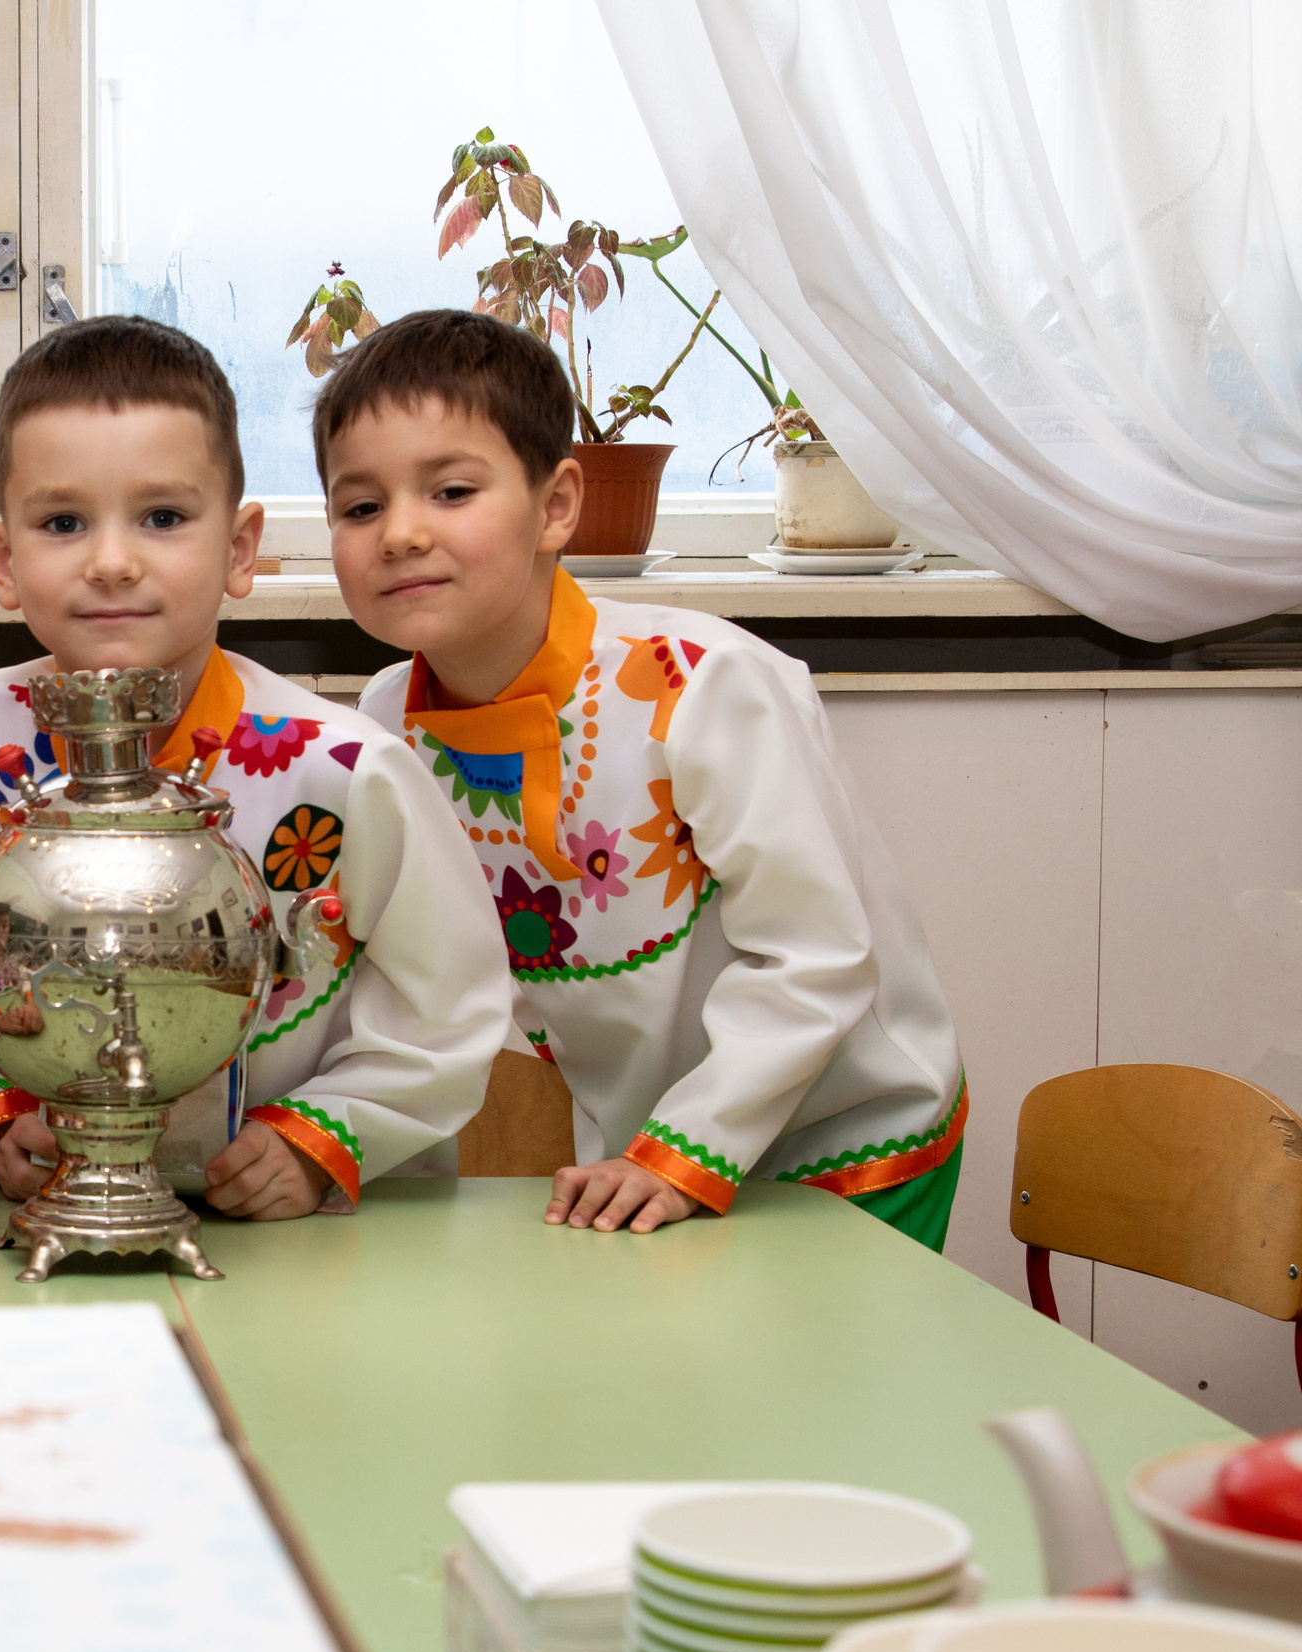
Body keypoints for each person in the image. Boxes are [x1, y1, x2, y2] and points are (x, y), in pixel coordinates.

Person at [327, 309, 964, 1246]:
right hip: (644, 1154)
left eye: (452, 490)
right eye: (361, 506)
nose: (401, 534)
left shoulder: (700, 685)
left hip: (842, 1135)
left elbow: (818, 956)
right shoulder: (382, 723)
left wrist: (683, 1147)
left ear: (557, 506)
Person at [0, 315, 510, 1218]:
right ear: (3, 558)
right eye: (63, 521)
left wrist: (324, 1136)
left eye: (163, 517)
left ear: (240, 547)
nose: (111, 561)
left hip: (307, 1238)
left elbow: (448, 1004)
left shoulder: (341, 767)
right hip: (46, 1218)